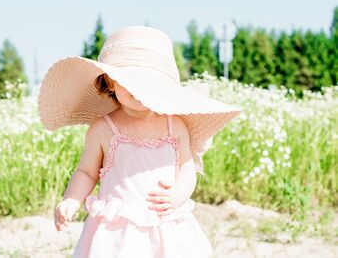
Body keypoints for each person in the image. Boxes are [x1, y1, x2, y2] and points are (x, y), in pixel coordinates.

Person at [38, 26, 243, 257]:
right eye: (130, 80)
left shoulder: (174, 126)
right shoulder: (103, 128)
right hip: (116, 230)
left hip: (165, 224)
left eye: (148, 82)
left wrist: (178, 194)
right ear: (110, 81)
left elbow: (186, 168)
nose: (138, 89)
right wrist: (71, 201)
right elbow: (86, 172)